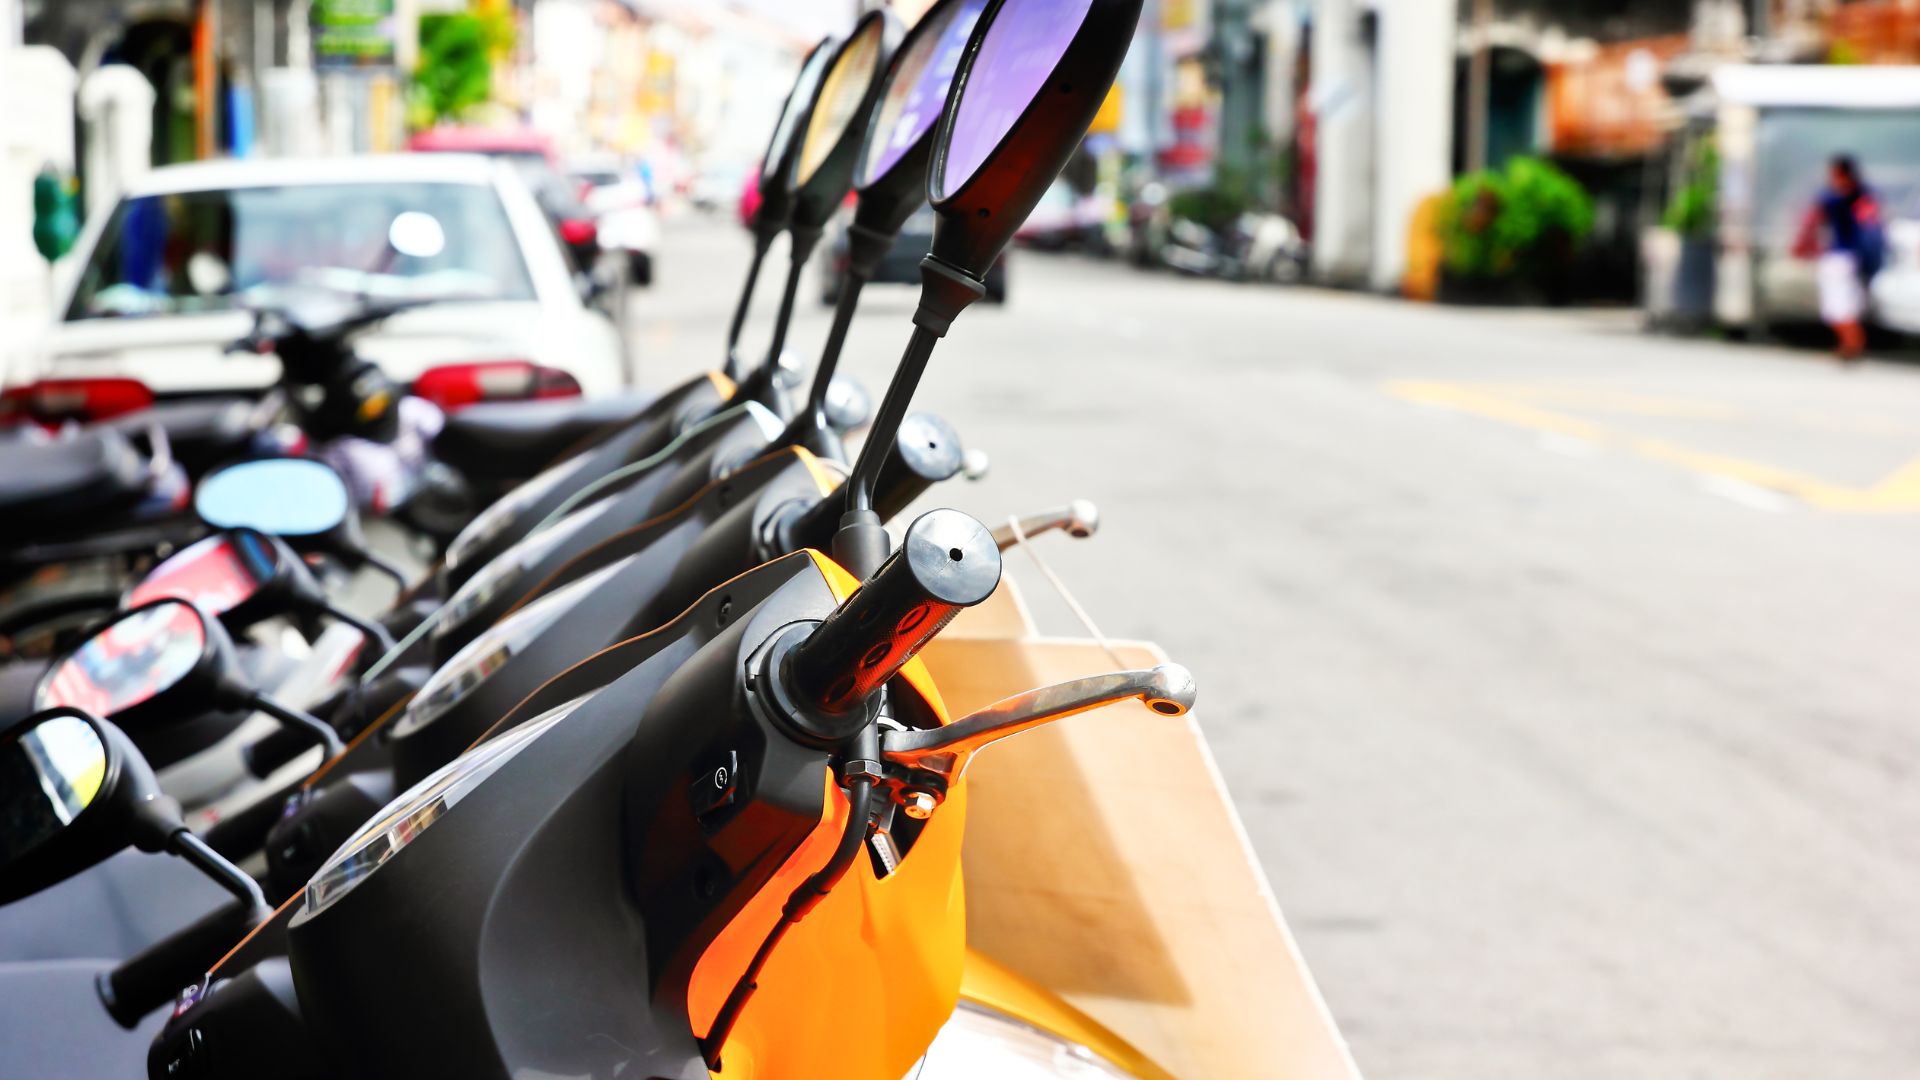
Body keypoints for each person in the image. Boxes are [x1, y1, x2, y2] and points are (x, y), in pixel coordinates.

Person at [1795, 155, 1885, 361]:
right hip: (1854, 257)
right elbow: (1872, 223)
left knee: (1837, 305)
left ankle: (1851, 345)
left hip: (1839, 257)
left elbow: (1812, 220)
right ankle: (1850, 345)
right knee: (1847, 303)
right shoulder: (1863, 195)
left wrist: (1803, 245)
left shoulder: (1833, 197)